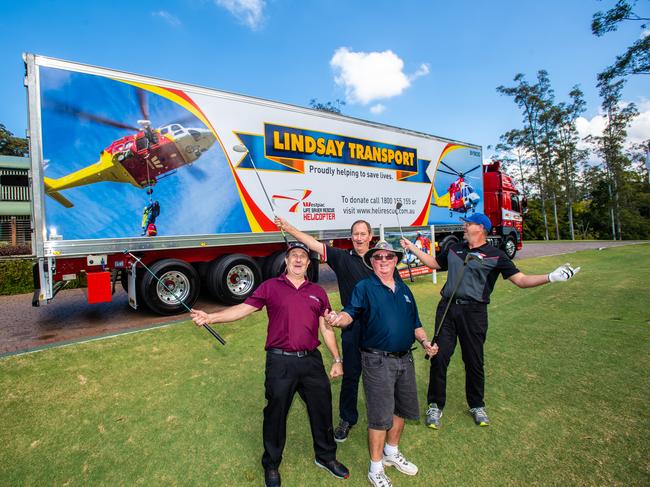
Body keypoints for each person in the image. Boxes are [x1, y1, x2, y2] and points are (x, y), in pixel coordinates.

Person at [400, 212, 581, 429]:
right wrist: (412, 247)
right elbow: (434, 263)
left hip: (474, 313)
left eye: (468, 224)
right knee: (439, 357)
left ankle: (476, 404)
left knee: (474, 360)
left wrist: (550, 277)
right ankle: (435, 405)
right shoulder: (455, 248)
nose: (464, 227)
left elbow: (521, 280)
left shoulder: (496, 255)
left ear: (481, 228)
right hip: (447, 309)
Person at [191, 242, 350, 487]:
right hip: (280, 362)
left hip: (311, 361)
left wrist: (337, 359)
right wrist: (211, 317)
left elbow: (326, 327)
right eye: (293, 256)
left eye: (303, 257)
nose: (298, 260)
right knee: (276, 414)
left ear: (309, 263)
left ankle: (326, 457)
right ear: (286, 261)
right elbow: (243, 309)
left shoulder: (317, 292)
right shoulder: (270, 287)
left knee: (322, 410)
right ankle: (272, 464)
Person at [326, 241, 437, 487]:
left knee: (401, 410)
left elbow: (416, 323)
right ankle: (375, 468)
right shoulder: (364, 287)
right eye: (378, 257)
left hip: (405, 359)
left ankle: (391, 452)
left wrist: (426, 341)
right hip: (377, 361)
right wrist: (337, 318)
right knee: (379, 416)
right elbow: (350, 313)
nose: (384, 260)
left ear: (396, 260)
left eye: (388, 257)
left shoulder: (405, 290)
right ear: (372, 262)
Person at [274, 217, 374, 443]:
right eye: (355, 234)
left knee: (378, 375)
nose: (358, 238)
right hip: (351, 326)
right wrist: (289, 227)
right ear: (352, 237)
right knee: (350, 375)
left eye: (362, 234)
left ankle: (381, 416)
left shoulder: (379, 259)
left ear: (370, 236)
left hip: (377, 329)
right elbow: (313, 244)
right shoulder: (342, 258)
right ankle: (347, 419)